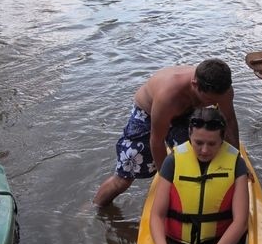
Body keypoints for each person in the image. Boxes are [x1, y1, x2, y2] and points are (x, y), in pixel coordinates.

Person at [93, 59, 240, 207]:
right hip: (149, 115)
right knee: (124, 178)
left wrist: (237, 161)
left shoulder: (224, 90)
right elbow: (156, 141)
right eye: (209, 100)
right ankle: (96, 206)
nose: (214, 103)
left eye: (217, 100)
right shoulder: (168, 95)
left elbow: (229, 120)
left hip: (187, 113)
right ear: (195, 85)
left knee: (200, 155)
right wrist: (167, 182)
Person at [150, 106, 249, 244]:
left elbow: (240, 222)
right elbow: (157, 215)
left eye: (212, 144)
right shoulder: (173, 162)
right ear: (189, 136)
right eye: (198, 143)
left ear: (222, 139)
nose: (204, 150)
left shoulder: (236, 163)